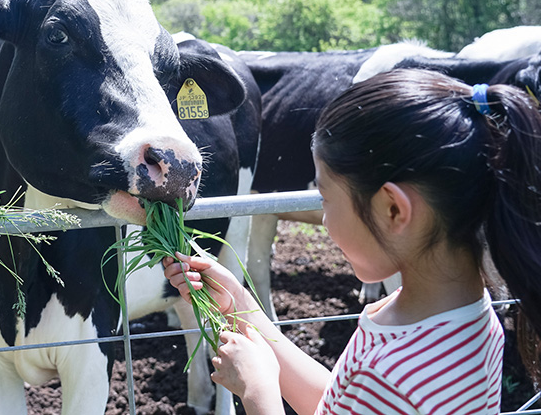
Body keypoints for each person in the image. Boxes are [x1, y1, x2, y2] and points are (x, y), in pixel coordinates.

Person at [163, 67, 541, 415]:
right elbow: (342, 403)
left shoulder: (390, 374)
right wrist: (243, 307)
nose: (324, 220)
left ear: (393, 209)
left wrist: (259, 392)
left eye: (327, 199)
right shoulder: (464, 318)